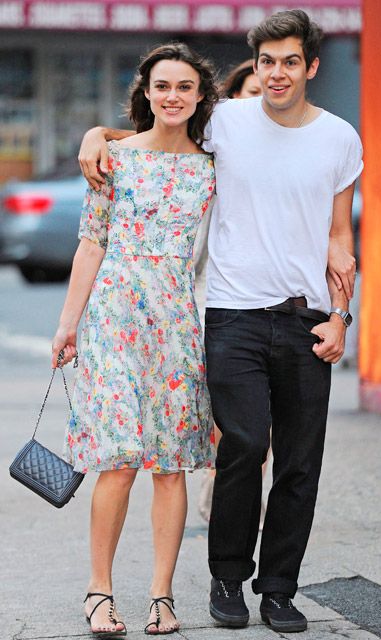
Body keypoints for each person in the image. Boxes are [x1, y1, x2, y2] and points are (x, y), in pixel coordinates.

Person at [78, 9, 362, 634]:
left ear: (312, 66)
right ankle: (227, 577)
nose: (278, 73)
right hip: (231, 315)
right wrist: (94, 134)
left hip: (307, 317)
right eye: (267, 62)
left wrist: (342, 316)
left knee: (299, 462)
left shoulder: (341, 137)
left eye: (291, 61)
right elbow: (153, 125)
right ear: (253, 68)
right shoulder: (226, 121)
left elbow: (341, 238)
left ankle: (280, 589)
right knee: (243, 447)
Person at [51, 43, 218, 637]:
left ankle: (162, 595)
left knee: (170, 464)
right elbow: (91, 241)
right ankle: (99, 592)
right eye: (161, 86)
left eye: (184, 87)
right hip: (112, 316)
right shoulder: (114, 159)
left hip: (174, 320)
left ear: (201, 97)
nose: (172, 96)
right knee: (119, 458)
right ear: (146, 94)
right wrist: (69, 322)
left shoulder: (210, 167)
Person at [197, 59, 264, 524]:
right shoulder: (211, 147)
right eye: (247, 94)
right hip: (212, 292)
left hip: (274, 300)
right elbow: (151, 138)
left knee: (260, 417)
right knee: (224, 401)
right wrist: (97, 133)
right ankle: (225, 478)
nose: (256, 103)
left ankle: (242, 490)